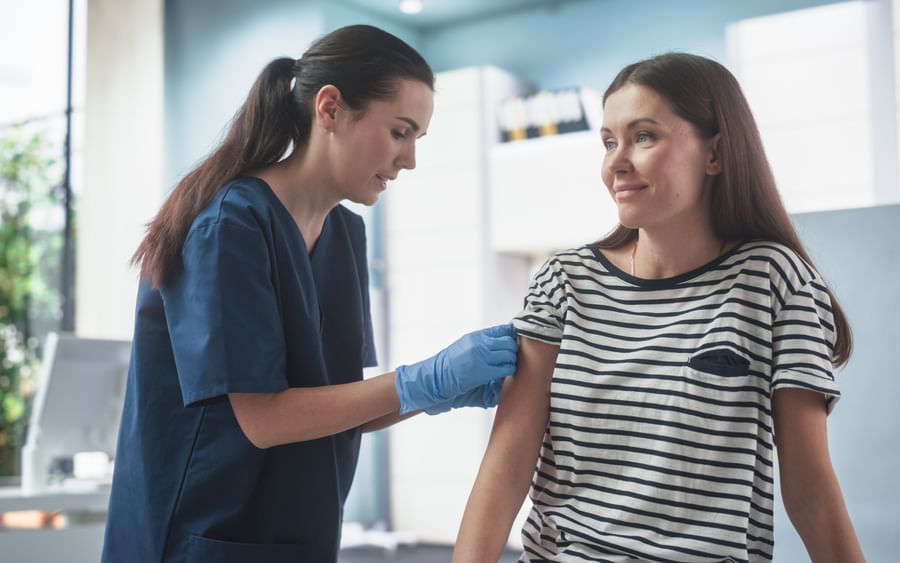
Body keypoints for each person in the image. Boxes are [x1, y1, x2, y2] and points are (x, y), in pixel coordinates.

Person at [101, 25, 517, 563]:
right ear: (330, 109)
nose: (409, 159)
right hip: (203, 538)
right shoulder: (230, 224)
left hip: (298, 538)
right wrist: (422, 379)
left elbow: (337, 406)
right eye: (400, 131)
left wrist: (438, 392)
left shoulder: (345, 233)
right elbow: (266, 418)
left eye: (418, 139)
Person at [453, 53, 865, 562]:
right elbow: (507, 464)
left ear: (714, 153)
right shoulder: (564, 282)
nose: (615, 162)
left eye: (643, 136)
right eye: (608, 141)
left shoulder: (775, 283)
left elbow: (811, 492)